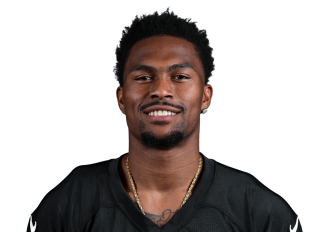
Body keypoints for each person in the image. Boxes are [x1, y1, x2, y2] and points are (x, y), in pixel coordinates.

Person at [26, 6, 303, 231]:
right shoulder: (73, 201)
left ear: (206, 96)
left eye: (179, 77)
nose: (160, 90)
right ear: (121, 97)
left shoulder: (255, 209)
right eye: (143, 77)